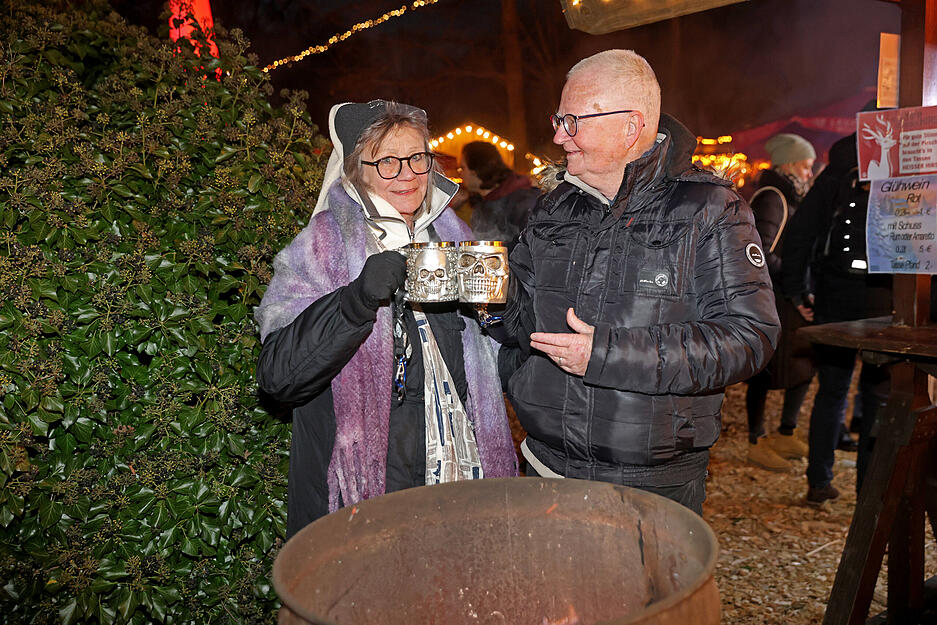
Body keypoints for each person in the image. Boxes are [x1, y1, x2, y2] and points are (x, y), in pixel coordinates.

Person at [495, 49, 780, 515]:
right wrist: (486, 298)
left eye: (572, 120)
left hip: (650, 488)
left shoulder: (709, 210)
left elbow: (751, 337)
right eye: (558, 118)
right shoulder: (554, 209)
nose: (557, 135)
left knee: (645, 592)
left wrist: (605, 355)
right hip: (545, 467)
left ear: (631, 126)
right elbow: (521, 323)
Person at [255, 100, 518, 538]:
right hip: (368, 489)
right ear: (358, 169)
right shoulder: (323, 247)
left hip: (456, 473)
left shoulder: (454, 236)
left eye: (417, 157)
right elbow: (278, 375)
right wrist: (355, 300)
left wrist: (504, 316)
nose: (409, 175)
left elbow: (492, 361)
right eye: (388, 162)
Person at [781, 129, 892, 504]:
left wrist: (797, 290)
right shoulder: (912, 166)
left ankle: (819, 482)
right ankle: (869, 494)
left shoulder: (840, 165)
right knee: (877, 396)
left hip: (836, 289)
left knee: (832, 391)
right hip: (889, 294)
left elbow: (799, 231)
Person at [744, 133, 816, 471]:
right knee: (765, 368)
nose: (809, 173)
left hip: (790, 293)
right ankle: (755, 440)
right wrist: (794, 275)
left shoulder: (794, 195)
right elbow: (761, 250)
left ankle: (786, 432)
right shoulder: (773, 197)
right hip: (773, 297)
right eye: (805, 165)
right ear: (788, 163)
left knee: (802, 363)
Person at [459, 141, 540, 250]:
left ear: (476, 170)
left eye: (463, 168)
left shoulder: (523, 200)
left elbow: (531, 248)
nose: (460, 173)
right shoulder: (481, 203)